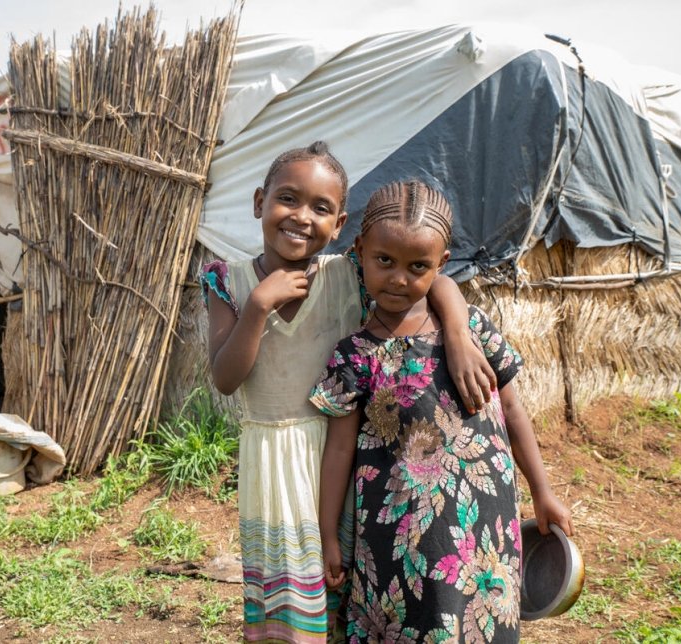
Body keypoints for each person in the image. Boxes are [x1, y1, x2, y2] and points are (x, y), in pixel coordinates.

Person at [200, 143, 497, 643]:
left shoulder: (350, 273)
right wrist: (257, 306)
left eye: (320, 208)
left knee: (350, 585)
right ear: (258, 202)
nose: (300, 216)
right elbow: (226, 378)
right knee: (291, 602)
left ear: (340, 226)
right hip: (276, 463)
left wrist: (459, 334)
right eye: (287, 199)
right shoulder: (227, 281)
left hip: (349, 459)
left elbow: (434, 279)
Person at [310, 180, 573, 643]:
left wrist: (542, 490)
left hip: (485, 518)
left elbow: (511, 408)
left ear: (442, 264)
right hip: (401, 531)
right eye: (384, 261)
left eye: (418, 267)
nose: (398, 278)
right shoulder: (355, 354)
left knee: (478, 623)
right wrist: (329, 534)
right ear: (359, 250)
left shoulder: (470, 328)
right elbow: (339, 451)